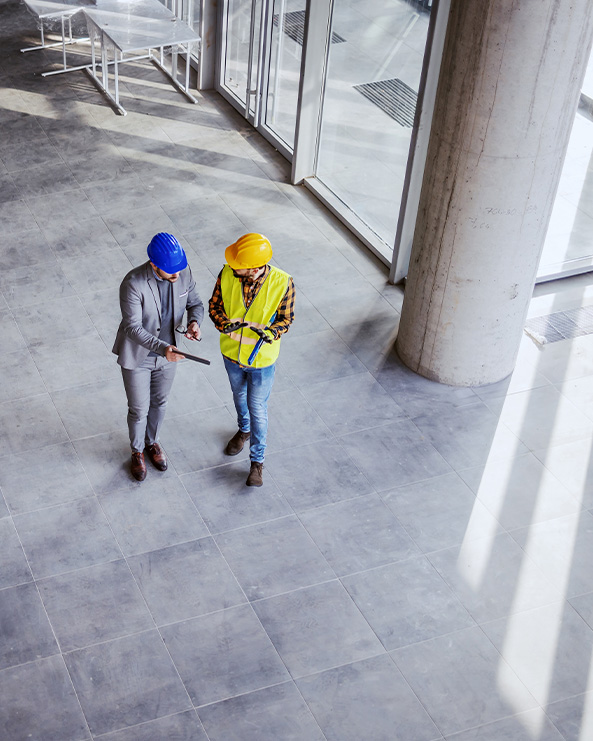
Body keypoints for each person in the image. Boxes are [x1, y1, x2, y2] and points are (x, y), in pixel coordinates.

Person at [112, 232, 204, 481]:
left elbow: (195, 303)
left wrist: (195, 321)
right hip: (139, 357)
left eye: (179, 270)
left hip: (168, 356)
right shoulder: (133, 283)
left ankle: (152, 442)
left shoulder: (182, 272)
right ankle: (137, 451)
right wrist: (163, 348)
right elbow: (133, 328)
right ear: (154, 265)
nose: (176, 275)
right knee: (139, 409)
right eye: (170, 271)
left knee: (160, 403)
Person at [209, 233, 295, 487]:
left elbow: (286, 319)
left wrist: (270, 333)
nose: (233, 267)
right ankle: (243, 429)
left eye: (239, 265)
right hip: (231, 354)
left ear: (255, 268)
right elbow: (215, 306)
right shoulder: (226, 273)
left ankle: (257, 462)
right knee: (238, 396)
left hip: (261, 361)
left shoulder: (282, 283)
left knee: (257, 407)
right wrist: (224, 324)